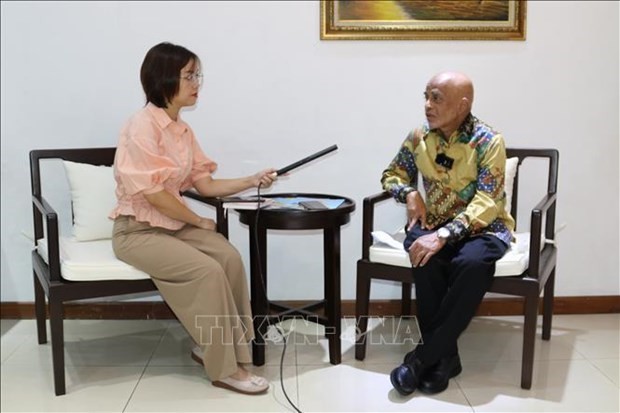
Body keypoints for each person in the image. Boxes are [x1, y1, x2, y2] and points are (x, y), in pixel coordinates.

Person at [109, 42, 277, 395]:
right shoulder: (142, 126)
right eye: (189, 75)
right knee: (206, 270)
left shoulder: (182, 130)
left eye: (197, 74)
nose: (196, 82)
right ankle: (225, 369)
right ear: (164, 78)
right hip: (137, 232)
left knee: (228, 257)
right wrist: (197, 221)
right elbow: (153, 194)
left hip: (171, 227)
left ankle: (224, 349)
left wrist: (251, 179)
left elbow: (206, 183)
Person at [382, 72, 515, 396]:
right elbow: (392, 175)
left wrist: (444, 235)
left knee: (471, 265)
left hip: (482, 228)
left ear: (462, 105)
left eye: (437, 98)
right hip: (433, 225)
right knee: (424, 258)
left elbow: (487, 201)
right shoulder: (419, 137)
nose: (428, 105)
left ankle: (420, 359)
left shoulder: (488, 141)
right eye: (426, 96)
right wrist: (410, 194)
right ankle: (445, 360)